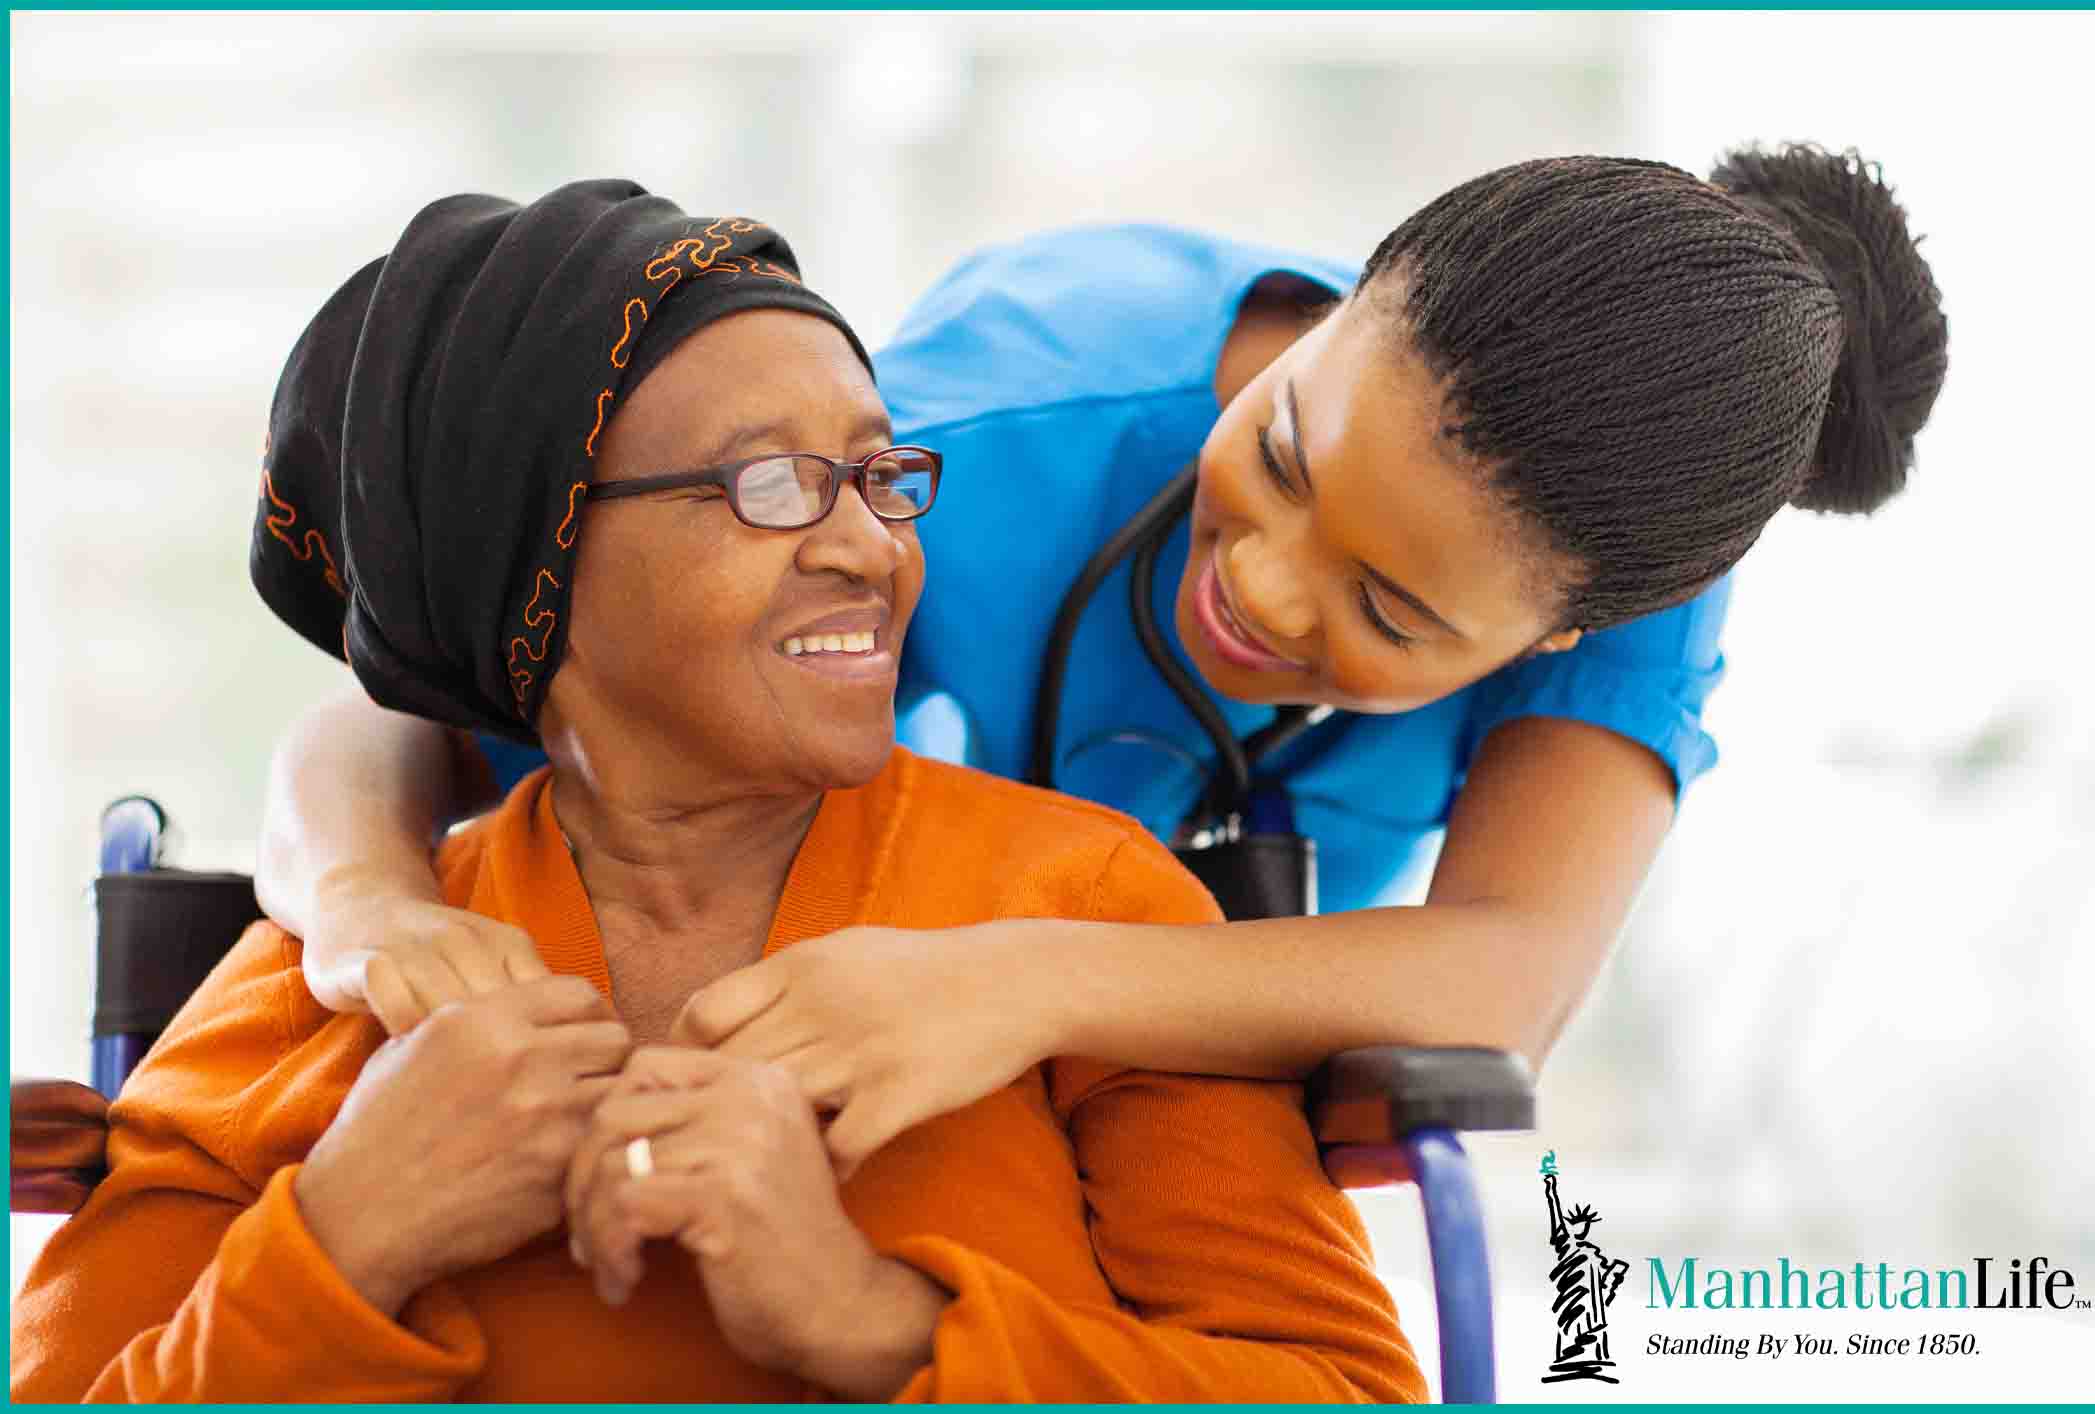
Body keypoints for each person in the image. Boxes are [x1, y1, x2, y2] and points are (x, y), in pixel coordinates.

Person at [255, 144, 1949, 1174]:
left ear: (1559, 633)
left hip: (1106, 1167)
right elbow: (387, 715)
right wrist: (367, 905)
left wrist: (1016, 977)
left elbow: (1503, 980)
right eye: (1278, 453)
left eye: (1391, 613)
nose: (1268, 596)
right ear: (1347, 305)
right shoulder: (986, 434)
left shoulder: (1620, 561)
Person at [9, 183, 1423, 1404]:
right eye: (771, 484)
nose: (870, 546)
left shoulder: (1082, 909)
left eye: (878, 474)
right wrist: (348, 1236)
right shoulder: (328, 985)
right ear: (538, 568)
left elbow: (1338, 1392)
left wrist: (867, 1318)